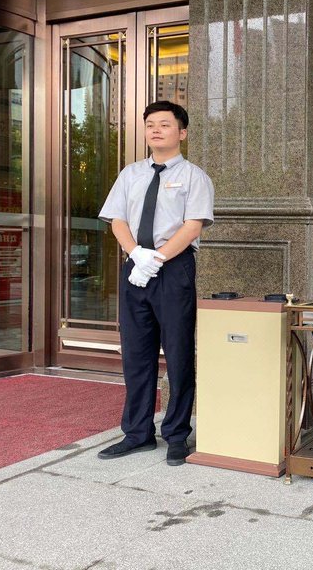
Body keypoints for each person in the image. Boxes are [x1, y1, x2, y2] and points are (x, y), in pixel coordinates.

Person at [97, 101, 214, 466]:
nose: (156, 130)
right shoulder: (130, 174)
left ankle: (177, 434)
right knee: (136, 353)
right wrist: (137, 254)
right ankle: (137, 433)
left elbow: (192, 226)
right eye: (150, 125)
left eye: (164, 124)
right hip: (135, 269)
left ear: (182, 132)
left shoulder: (194, 176)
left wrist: (157, 258)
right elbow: (117, 220)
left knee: (178, 353)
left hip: (174, 270)